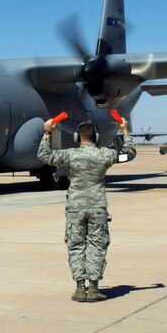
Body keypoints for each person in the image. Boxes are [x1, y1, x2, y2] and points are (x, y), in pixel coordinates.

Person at [37, 116, 136, 302]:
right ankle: (94, 288)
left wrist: (47, 132)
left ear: (77, 137)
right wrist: (125, 131)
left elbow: (44, 156)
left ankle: (80, 288)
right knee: (96, 246)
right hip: (97, 208)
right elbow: (128, 154)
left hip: (75, 209)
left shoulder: (70, 155)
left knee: (76, 246)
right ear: (96, 137)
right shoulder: (106, 154)